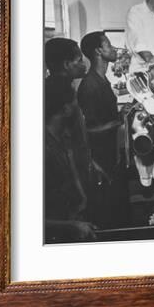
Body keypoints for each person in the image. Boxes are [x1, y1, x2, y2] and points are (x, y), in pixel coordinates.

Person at [77, 31, 128, 228]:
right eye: (108, 44)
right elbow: (87, 130)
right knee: (108, 217)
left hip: (110, 157)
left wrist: (123, 112)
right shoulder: (90, 85)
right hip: (100, 164)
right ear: (98, 51)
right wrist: (119, 121)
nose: (113, 48)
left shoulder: (103, 80)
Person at [44, 76, 96, 243]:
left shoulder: (61, 138)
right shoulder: (44, 150)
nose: (77, 106)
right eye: (74, 101)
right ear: (66, 109)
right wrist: (71, 226)